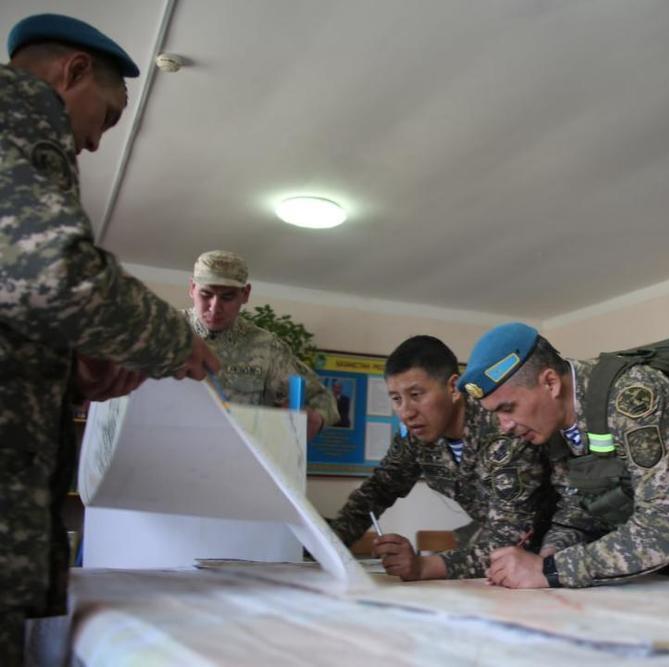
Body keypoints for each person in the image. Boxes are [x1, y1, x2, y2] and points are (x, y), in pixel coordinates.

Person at [0, 14, 220, 663]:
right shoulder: (16, 114)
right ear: (72, 72)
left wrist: (70, 366)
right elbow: (53, 270)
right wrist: (170, 339)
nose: (96, 142)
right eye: (108, 116)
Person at [462, 323, 669, 590]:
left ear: (550, 383)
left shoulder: (633, 398)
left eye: (508, 408)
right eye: (496, 414)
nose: (504, 426)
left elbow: (659, 532)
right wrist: (550, 554)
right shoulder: (555, 427)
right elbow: (577, 510)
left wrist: (550, 570)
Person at [327, 335, 553, 580]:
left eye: (416, 395)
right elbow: (377, 490)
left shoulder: (501, 426)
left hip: (551, 554)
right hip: (497, 555)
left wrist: (424, 566)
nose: (406, 412)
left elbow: (510, 543)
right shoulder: (415, 438)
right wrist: (328, 542)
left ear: (453, 388)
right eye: (396, 399)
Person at [185, 250, 336, 439]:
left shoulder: (266, 347)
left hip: (240, 453)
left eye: (227, 297)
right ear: (192, 288)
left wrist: (316, 419)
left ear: (245, 294)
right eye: (206, 294)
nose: (215, 307)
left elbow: (321, 397)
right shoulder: (165, 334)